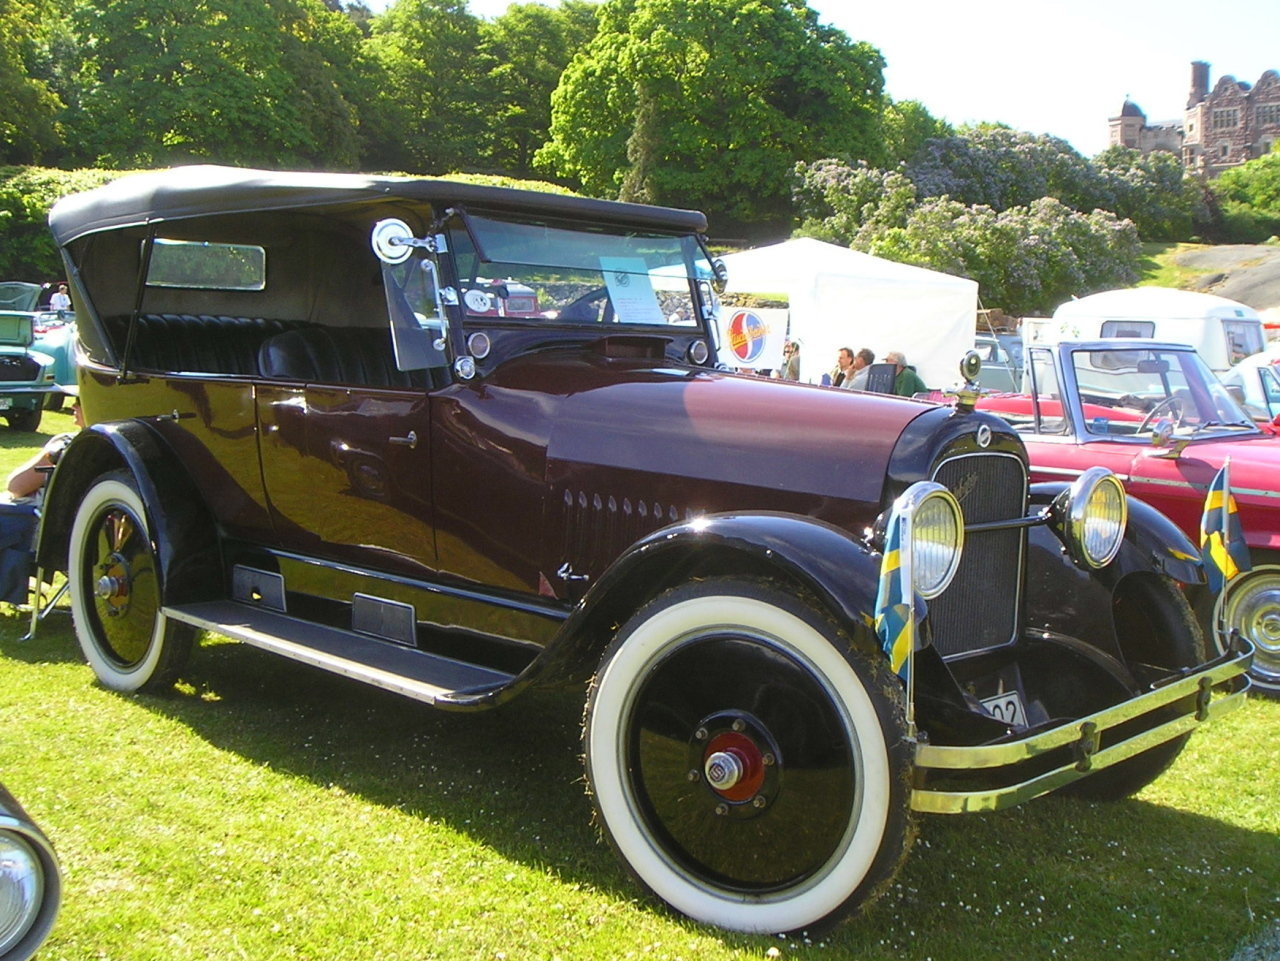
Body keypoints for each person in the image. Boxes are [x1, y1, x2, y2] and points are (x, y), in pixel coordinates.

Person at [6, 392, 84, 503]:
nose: (73, 406)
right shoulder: (115, 444)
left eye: (80, 402)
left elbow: (16, 486)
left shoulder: (66, 442)